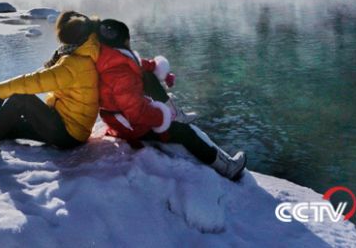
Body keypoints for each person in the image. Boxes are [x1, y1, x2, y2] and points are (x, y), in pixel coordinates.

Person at [94, 18, 247, 181]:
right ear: (124, 40)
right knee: (184, 132)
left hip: (121, 117)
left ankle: (176, 113)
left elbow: (136, 64)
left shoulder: (108, 56)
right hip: (130, 127)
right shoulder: (120, 73)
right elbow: (136, 114)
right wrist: (163, 118)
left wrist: (156, 68)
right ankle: (227, 167)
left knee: (147, 76)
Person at [0, 11, 100, 157]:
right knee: (13, 124)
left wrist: (2, 91)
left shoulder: (74, 64)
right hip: (68, 126)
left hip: (68, 133)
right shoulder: (81, 54)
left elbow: (37, 81)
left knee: (22, 100)